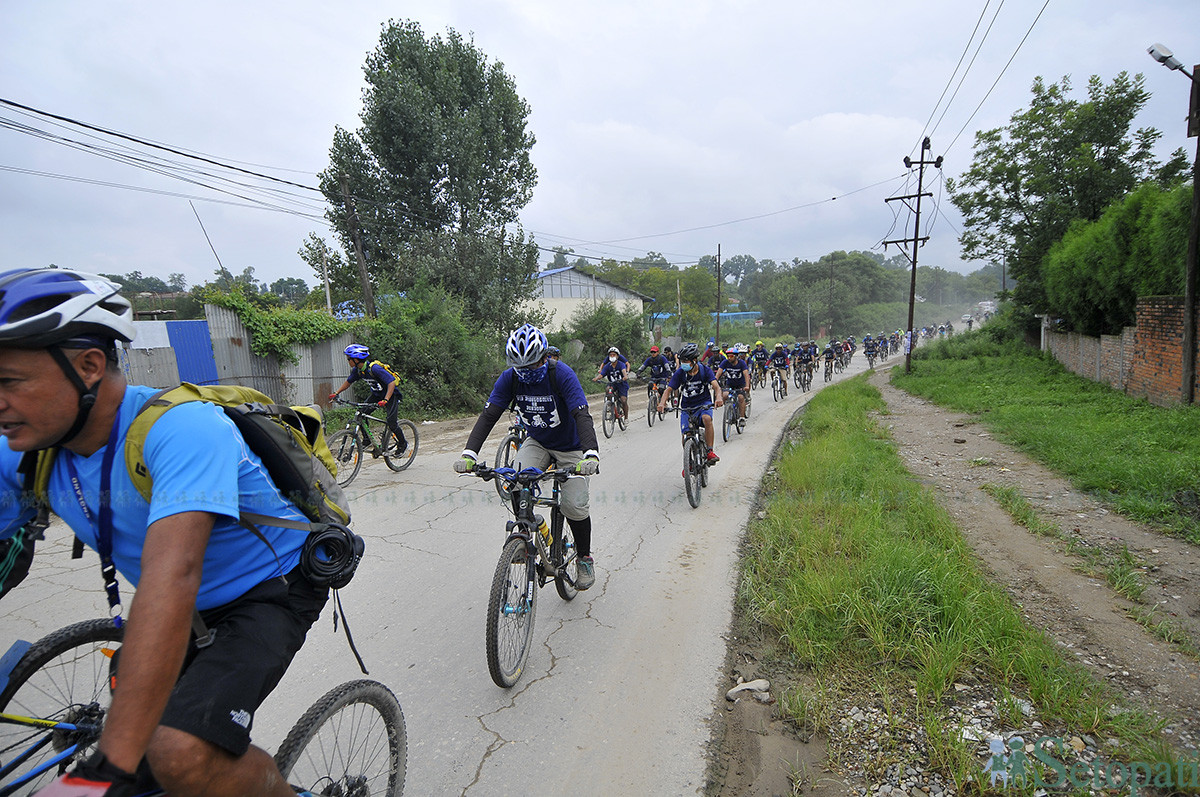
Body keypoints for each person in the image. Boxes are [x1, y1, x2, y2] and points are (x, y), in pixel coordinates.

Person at [0, 269, 328, 797]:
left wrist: (106, 766)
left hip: (271, 591)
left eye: (8, 381)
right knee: (140, 755)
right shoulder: (24, 450)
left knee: (178, 754)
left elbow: (172, 576)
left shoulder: (183, 429)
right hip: (181, 606)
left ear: (89, 366)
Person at [453, 324, 600, 590]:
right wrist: (469, 453)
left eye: (532, 365)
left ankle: (584, 557)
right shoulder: (510, 378)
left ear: (545, 357)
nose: (527, 372)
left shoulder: (562, 374)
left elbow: (581, 413)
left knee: (575, 505)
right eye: (521, 368)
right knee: (515, 481)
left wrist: (590, 453)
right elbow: (489, 415)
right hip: (538, 441)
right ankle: (524, 533)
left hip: (571, 445)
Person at [329, 344, 408, 455]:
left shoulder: (374, 369)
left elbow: (391, 382)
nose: (348, 362)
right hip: (376, 395)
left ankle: (403, 444)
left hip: (390, 395)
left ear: (356, 359)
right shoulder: (358, 370)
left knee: (391, 422)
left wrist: (386, 399)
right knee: (361, 414)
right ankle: (367, 441)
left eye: (348, 359)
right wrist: (336, 393)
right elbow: (348, 382)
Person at [657, 343, 723, 467]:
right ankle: (689, 462)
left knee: (707, 419)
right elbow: (669, 389)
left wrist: (719, 397)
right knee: (686, 434)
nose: (683, 363)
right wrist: (662, 403)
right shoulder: (680, 373)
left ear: (694, 360)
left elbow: (716, 386)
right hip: (686, 406)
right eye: (682, 361)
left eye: (686, 361)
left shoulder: (705, 370)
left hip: (703, 403)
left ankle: (710, 451)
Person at [715, 346, 750, 427]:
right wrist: (715, 381)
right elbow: (719, 373)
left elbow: (746, 375)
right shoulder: (725, 362)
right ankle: (729, 408)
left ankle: (741, 418)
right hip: (730, 383)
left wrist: (747, 386)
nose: (729, 358)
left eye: (731, 356)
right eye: (728, 356)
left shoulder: (742, 363)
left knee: (741, 398)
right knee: (724, 395)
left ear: (736, 356)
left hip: (740, 384)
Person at [594, 346, 630, 421]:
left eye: (614, 355)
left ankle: (626, 418)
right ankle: (610, 405)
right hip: (612, 383)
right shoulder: (607, 366)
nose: (612, 356)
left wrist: (625, 376)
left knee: (623, 400)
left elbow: (624, 371)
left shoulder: (621, 364)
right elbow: (602, 374)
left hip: (621, 384)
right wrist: (596, 378)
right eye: (611, 355)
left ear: (617, 356)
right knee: (608, 389)